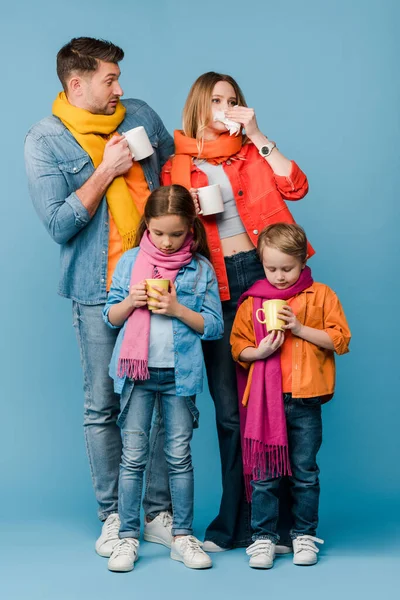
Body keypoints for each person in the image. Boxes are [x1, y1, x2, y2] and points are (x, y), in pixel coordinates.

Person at [24, 37, 175, 556]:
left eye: (118, 78)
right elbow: (60, 224)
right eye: (110, 79)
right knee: (103, 405)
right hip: (97, 291)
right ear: (77, 83)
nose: (120, 89)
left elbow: (174, 180)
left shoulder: (140, 116)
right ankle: (114, 515)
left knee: (157, 396)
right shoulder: (45, 141)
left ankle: (156, 512)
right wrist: (107, 170)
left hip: (159, 284)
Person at [162, 71, 312, 551]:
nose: (224, 107)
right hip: (214, 285)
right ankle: (239, 526)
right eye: (215, 100)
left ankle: (288, 526)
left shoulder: (252, 153)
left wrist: (259, 134)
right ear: (198, 108)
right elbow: (167, 233)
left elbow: (296, 187)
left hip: (267, 280)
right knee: (231, 411)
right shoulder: (175, 167)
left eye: (232, 100)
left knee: (282, 402)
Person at [103, 185, 223, 572]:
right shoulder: (130, 261)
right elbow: (111, 316)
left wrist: (176, 309)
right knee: (133, 457)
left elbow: (215, 326)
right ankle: (127, 537)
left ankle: (183, 536)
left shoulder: (201, 269)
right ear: (147, 227)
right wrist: (130, 302)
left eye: (177, 233)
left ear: (191, 228)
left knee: (179, 458)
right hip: (136, 376)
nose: (167, 242)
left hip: (180, 377)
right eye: (158, 233)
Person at [230, 223, 351, 569]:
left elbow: (340, 341)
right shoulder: (253, 301)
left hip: (305, 400)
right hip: (264, 404)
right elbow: (238, 347)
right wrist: (260, 352)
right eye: (272, 269)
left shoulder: (322, 296)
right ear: (262, 264)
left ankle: (304, 535)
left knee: (305, 472)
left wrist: (298, 328)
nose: (280, 277)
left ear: (302, 262)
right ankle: (263, 538)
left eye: (287, 269)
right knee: (264, 473)